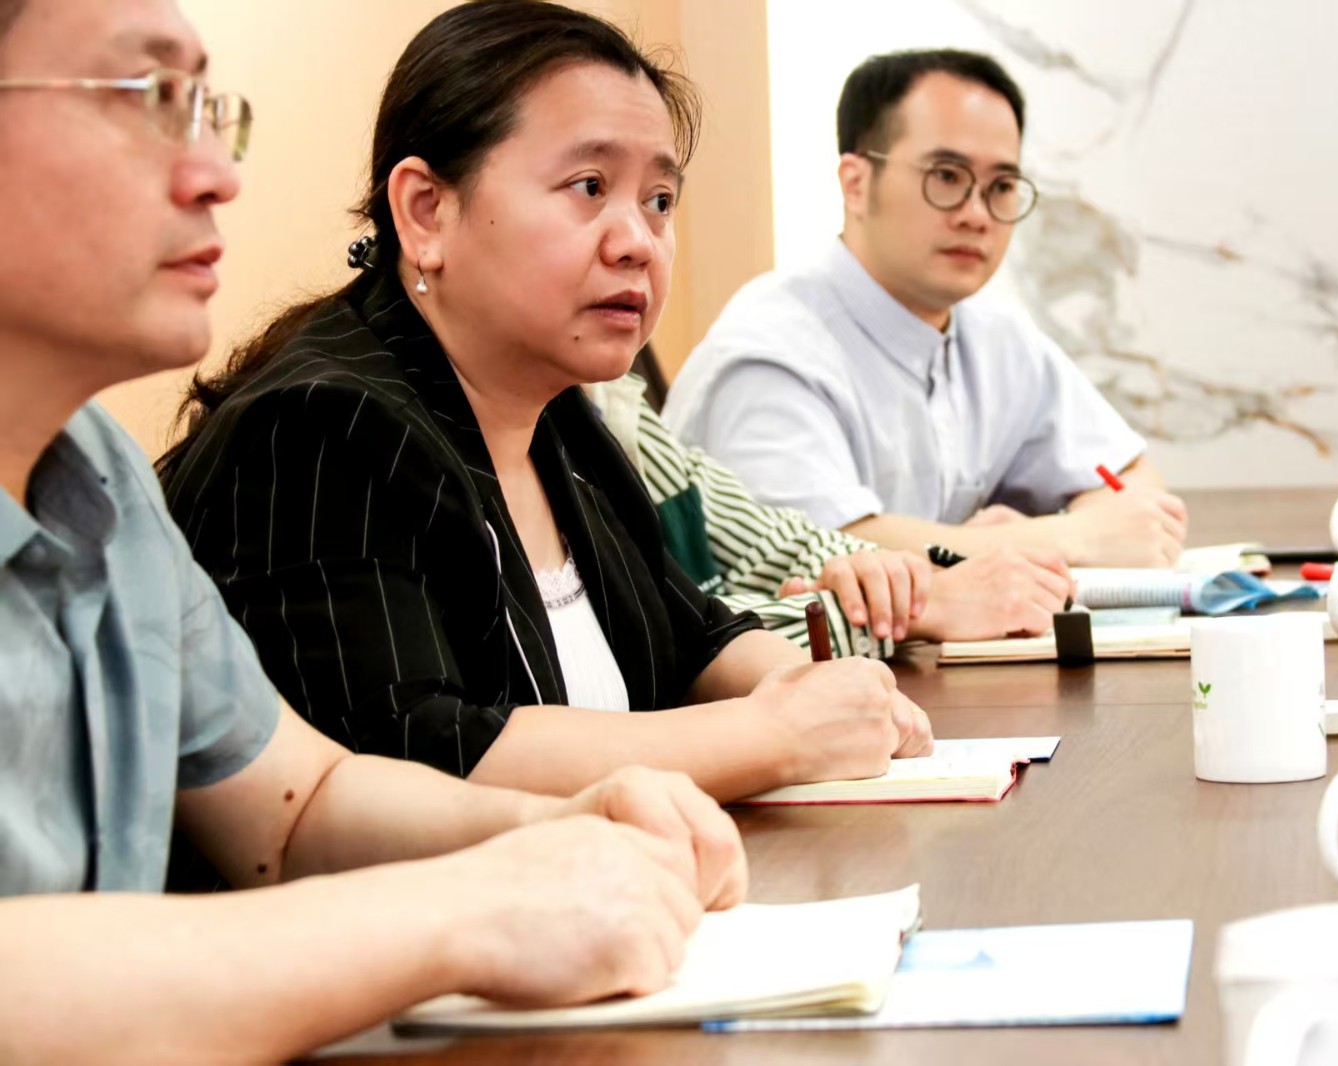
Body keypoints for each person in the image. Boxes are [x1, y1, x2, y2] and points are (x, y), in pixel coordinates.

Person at [0, 0, 752, 1060]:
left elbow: (297, 804)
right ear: (423, 212)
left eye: (207, 109)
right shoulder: (323, 419)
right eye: (148, 98)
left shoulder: (97, 473)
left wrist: (564, 827)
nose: (216, 173)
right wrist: (472, 907)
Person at [159, 1, 933, 806]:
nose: (638, 242)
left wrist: (822, 692)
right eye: (589, 187)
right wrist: (777, 735)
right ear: (426, 210)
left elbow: (689, 632)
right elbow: (415, 755)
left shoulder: (555, 413)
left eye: (659, 200)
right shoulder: (321, 429)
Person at [664, 49, 1189, 568]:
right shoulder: (770, 354)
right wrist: (1062, 539)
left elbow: (1137, 494)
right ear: (856, 184)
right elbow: (829, 556)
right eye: (947, 176)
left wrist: (1041, 533)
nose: (977, 214)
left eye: (1002, 186)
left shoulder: (995, 335)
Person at [587, 371, 1078, 651]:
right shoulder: (766, 356)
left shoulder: (612, 400)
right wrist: (916, 607)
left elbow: (776, 545)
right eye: (583, 226)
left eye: (660, 220)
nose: (636, 246)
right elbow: (655, 652)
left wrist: (891, 582)